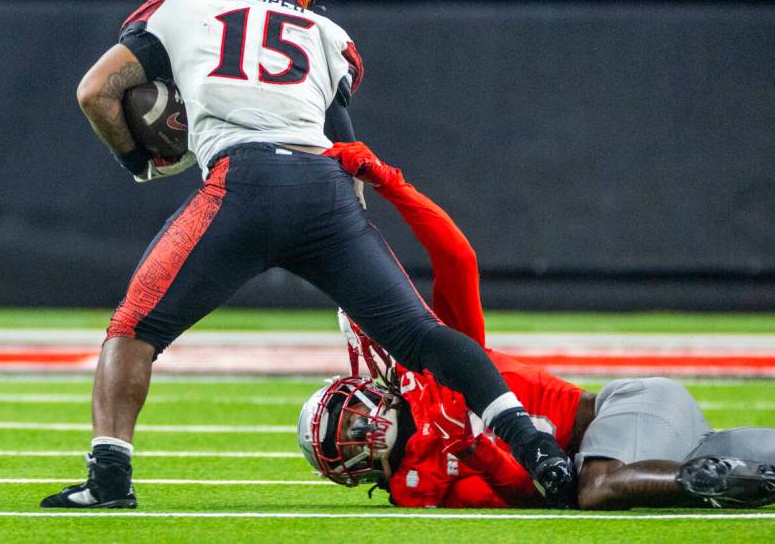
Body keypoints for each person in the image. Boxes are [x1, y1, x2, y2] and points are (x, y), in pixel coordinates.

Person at [41, 0, 574, 509]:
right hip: (325, 195)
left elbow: (95, 92)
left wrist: (144, 162)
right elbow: (346, 155)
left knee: (133, 332)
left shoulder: (180, 6)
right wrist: (355, 250)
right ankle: (535, 447)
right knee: (426, 338)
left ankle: (109, 481)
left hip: (239, 187)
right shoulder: (325, 33)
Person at [297, 141, 775, 510]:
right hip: (652, 445)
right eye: (346, 436)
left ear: (362, 390)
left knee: (597, 489)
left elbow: (457, 260)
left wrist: (391, 184)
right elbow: (533, 494)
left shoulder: (438, 366)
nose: (360, 428)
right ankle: (720, 476)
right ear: (348, 471)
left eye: (350, 415)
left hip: (624, 413)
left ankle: (699, 484)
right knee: (740, 465)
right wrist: (472, 449)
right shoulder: (414, 489)